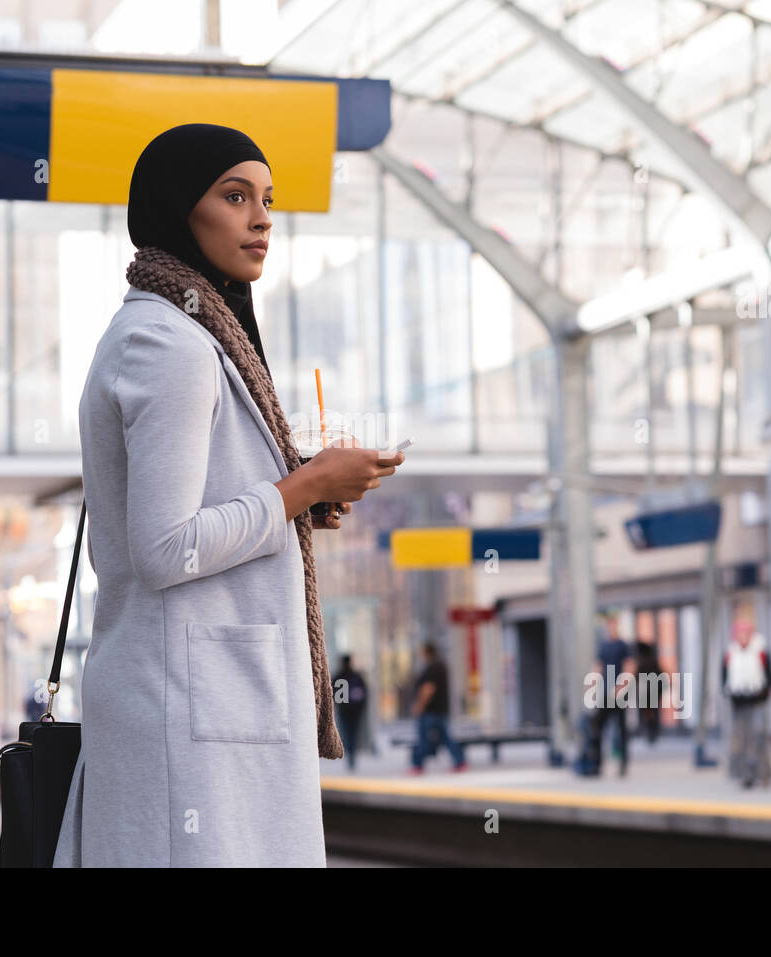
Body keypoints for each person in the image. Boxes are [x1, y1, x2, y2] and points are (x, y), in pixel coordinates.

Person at [52, 124, 405, 867]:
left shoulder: (180, 331)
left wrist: (299, 497)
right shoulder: (169, 345)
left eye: (268, 199)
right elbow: (164, 546)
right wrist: (301, 484)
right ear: (180, 207)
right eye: (234, 195)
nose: (262, 218)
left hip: (196, 706)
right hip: (186, 718)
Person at [722, 618, 771, 789]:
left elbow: (768, 675)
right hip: (738, 702)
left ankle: (764, 774)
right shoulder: (731, 652)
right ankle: (745, 775)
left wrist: (763, 694)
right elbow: (725, 676)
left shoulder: (760, 650)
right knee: (741, 740)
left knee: (759, 736)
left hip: (757, 700)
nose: (743, 637)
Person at [408, 641, 466, 773]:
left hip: (430, 710)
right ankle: (460, 761)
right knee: (446, 737)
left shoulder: (432, 667)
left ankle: (418, 765)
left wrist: (419, 705)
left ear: (427, 652)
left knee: (423, 738)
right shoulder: (441, 665)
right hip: (440, 709)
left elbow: (428, 689)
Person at [588, 616, 635, 776]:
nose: (611, 629)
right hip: (605, 693)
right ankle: (596, 763)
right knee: (598, 727)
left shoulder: (623, 646)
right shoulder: (603, 646)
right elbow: (598, 667)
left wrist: (620, 687)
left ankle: (623, 764)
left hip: (619, 693)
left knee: (621, 729)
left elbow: (629, 667)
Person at [332, 654, 368, 772]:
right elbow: (364, 693)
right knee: (353, 734)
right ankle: (352, 757)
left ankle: (350, 757)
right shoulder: (356, 676)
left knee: (347, 734)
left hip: (345, 711)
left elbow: (332, 694)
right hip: (355, 711)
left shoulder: (339, 676)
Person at [633, 637, 662, 745]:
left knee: (648, 713)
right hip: (650, 692)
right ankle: (652, 732)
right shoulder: (651, 661)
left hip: (647, 692)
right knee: (652, 713)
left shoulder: (643, 662)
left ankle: (650, 731)